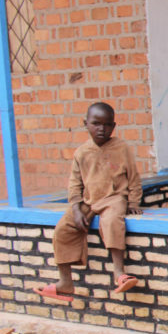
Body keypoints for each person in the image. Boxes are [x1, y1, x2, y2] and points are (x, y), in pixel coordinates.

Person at [35, 102, 143, 303]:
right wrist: (76, 208)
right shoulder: (81, 152)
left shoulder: (122, 148)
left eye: (107, 124)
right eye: (96, 123)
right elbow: (75, 184)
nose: (102, 129)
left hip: (114, 198)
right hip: (88, 201)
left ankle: (119, 272)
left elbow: (133, 177)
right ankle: (65, 281)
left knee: (112, 222)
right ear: (86, 123)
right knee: (63, 230)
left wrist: (133, 201)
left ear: (114, 126)